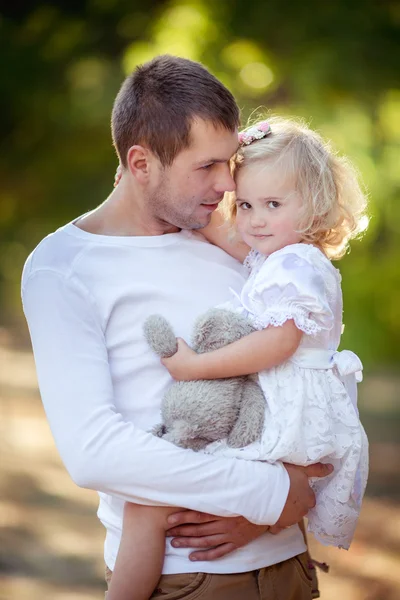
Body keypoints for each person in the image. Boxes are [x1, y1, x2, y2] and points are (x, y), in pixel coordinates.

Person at [22, 55, 332, 600]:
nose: (227, 183)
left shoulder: (239, 239)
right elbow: (95, 450)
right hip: (186, 578)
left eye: (229, 161)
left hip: (290, 564)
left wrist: (276, 509)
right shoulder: (65, 267)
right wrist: (266, 493)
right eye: (205, 166)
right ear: (140, 164)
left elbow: (308, 371)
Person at [108, 116, 369, 599]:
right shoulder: (274, 253)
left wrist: (194, 368)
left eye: (272, 204)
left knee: (146, 505)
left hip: (286, 410)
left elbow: (278, 343)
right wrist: (140, 190)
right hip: (271, 404)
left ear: (314, 206)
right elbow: (217, 228)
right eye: (245, 204)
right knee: (151, 503)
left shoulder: (297, 264)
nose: (255, 219)